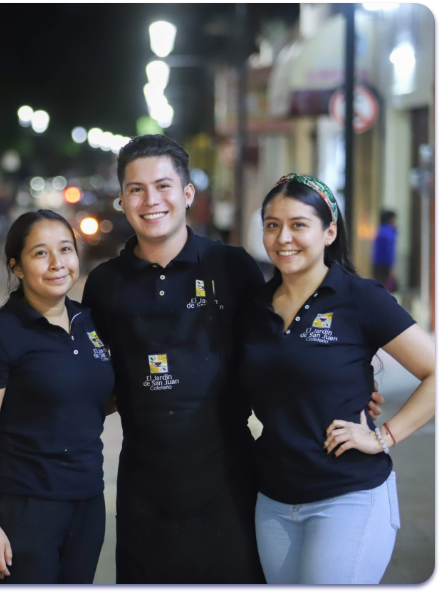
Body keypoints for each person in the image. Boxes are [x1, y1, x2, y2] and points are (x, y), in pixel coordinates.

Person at [81, 135, 384, 584]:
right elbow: (92, 378)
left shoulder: (231, 266)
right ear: (122, 200)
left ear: (187, 193)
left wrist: (342, 390)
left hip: (229, 481)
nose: (151, 200)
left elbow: (280, 346)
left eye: (163, 186)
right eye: (136, 189)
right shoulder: (105, 284)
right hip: (144, 490)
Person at [239, 174, 435, 584]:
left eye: (298, 224)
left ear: (329, 232)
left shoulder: (359, 298)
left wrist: (384, 437)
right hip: (274, 499)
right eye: (272, 225)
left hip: (347, 495)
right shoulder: (254, 307)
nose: (283, 237)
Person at [0, 210, 115, 584]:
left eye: (65, 249)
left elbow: (89, 402)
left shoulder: (89, 323)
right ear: (16, 267)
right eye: (40, 253)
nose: (57, 263)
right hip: (22, 509)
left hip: (86, 504)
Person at [372, 210, 398, 292]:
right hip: (385, 265)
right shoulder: (389, 233)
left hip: (376, 263)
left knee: (380, 288)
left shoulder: (379, 230)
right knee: (389, 288)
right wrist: (391, 266)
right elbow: (389, 251)